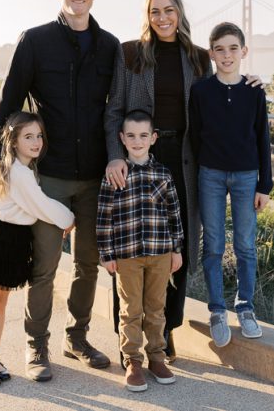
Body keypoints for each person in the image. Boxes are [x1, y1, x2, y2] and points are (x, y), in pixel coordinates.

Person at [104, 0, 262, 363]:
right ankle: (129, 337)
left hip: (185, 160)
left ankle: (166, 330)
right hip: (140, 155)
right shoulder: (129, 54)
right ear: (147, 14)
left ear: (180, 13)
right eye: (155, 11)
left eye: (169, 10)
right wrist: (115, 156)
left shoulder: (197, 57)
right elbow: (113, 111)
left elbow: (218, 96)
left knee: (178, 244)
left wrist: (251, 88)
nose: (163, 18)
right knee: (132, 244)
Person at [0, 0, 123, 381]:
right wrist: (3, 167)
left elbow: (119, 108)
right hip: (47, 179)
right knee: (43, 267)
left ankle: (77, 338)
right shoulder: (35, 41)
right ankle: (36, 346)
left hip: (95, 177)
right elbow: (7, 108)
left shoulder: (111, 46)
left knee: (87, 264)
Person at [0, 112, 75, 388]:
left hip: (15, 240)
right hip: (2, 239)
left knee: (1, 305)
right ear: (14, 141)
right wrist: (69, 218)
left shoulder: (21, 168)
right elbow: (40, 205)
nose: (36, 141)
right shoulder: (18, 172)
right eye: (28, 136)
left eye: (39, 136)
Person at [189, 22, 273, 346]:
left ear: (244, 52)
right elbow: (195, 136)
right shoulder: (200, 91)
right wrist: (202, 170)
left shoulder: (255, 91)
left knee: (245, 245)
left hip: (246, 176)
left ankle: (246, 309)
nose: (227, 55)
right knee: (213, 245)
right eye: (220, 49)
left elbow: (262, 138)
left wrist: (264, 185)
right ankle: (217, 311)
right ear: (211, 53)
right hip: (210, 174)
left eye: (233, 48)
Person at [97, 110, 183, 392]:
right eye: (131, 136)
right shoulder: (115, 174)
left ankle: (157, 358)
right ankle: (132, 361)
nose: (137, 141)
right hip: (127, 254)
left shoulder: (163, 173)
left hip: (159, 252)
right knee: (130, 310)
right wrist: (107, 253)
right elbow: (104, 216)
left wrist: (176, 249)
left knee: (156, 308)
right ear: (122, 138)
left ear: (153, 138)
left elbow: (174, 213)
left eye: (143, 135)